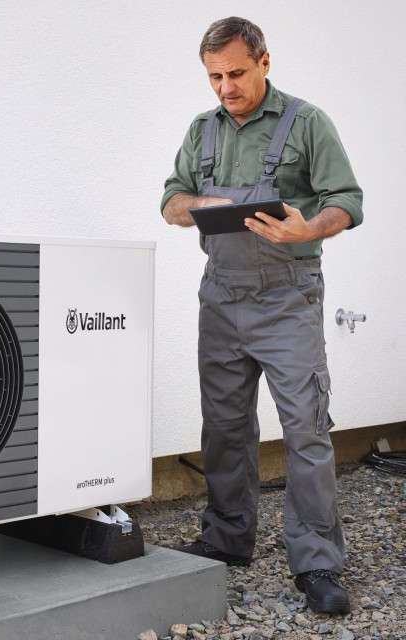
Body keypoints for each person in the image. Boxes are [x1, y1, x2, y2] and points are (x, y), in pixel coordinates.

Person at [160, 17, 363, 615]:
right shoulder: (201, 131)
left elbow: (346, 200)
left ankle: (318, 560)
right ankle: (227, 538)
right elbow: (170, 201)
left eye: (236, 73)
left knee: (305, 427)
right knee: (223, 425)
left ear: (265, 62)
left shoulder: (307, 122)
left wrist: (312, 226)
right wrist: (202, 203)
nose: (225, 87)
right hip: (220, 295)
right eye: (214, 76)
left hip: (288, 296)